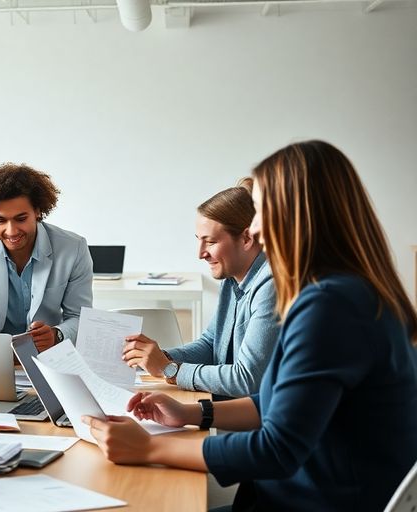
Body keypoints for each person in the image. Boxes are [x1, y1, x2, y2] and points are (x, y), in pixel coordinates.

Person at [83, 140, 417, 511]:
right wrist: (194, 413)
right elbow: (279, 402)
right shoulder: (348, 291)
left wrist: (149, 446)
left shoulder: (330, 305)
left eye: (258, 212)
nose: (253, 229)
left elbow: (278, 448)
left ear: (293, 215)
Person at [122, 180, 278, 398]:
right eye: (199, 241)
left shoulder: (272, 286)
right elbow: (211, 345)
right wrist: (156, 358)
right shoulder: (232, 278)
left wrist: (169, 370)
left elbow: (247, 379)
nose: (200, 253)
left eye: (210, 241)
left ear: (246, 238)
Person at [0, 163, 92, 352]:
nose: (11, 231)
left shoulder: (73, 247)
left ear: (37, 211)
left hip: (49, 355)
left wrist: (56, 334)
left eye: (21, 219)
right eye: (0, 220)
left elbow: (80, 317)